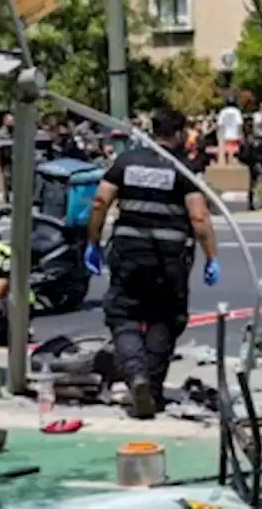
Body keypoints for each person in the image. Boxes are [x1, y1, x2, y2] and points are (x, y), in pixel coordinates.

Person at [84, 109, 220, 419]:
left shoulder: (126, 162)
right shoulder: (182, 168)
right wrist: (211, 256)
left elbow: (100, 202)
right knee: (165, 319)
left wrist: (92, 242)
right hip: (169, 260)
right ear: (181, 133)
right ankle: (153, 390)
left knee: (123, 316)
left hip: (129, 254)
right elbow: (199, 217)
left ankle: (136, 377)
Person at [216, 99, 243, 166]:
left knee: (226, 151)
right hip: (234, 135)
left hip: (225, 135)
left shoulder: (223, 111)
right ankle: (232, 163)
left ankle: (226, 164)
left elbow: (220, 125)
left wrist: (219, 135)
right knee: (233, 151)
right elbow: (239, 124)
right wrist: (240, 134)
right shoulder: (237, 111)